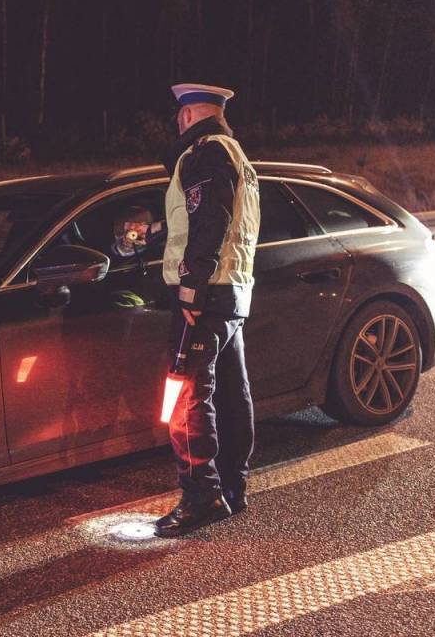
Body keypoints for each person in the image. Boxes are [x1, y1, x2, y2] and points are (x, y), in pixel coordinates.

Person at [154, 83, 261, 538]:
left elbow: (210, 218)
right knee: (232, 392)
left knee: (187, 394)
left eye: (179, 116)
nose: (177, 123)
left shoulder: (205, 152)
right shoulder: (238, 155)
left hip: (207, 293)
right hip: (234, 291)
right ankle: (233, 486)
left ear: (188, 114)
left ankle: (202, 495)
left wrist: (191, 287)